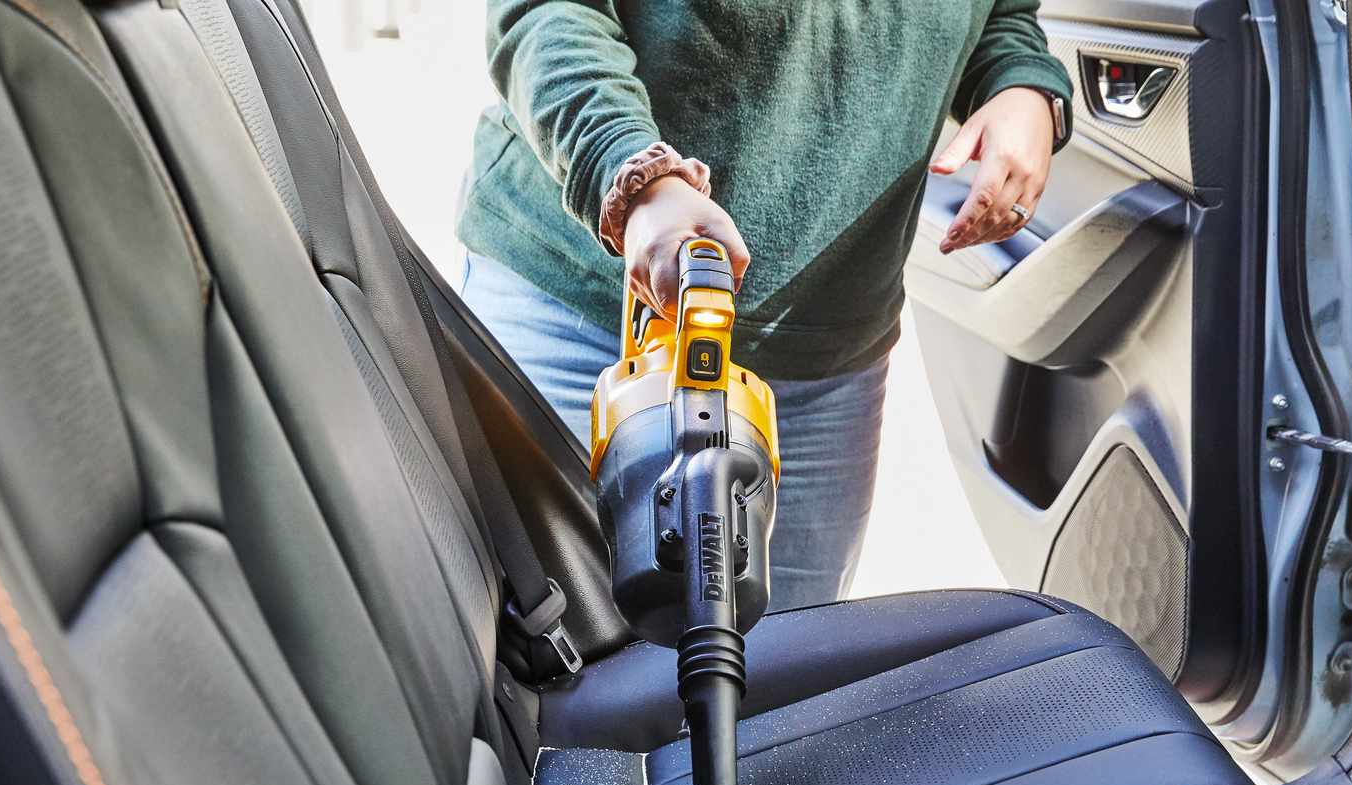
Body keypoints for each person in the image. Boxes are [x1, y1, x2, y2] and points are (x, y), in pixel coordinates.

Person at [457, 0, 1071, 612]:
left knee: (778, 684)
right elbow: (550, 12)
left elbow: (999, 15)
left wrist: (1021, 84)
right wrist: (634, 174)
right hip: (584, 317)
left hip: (825, 372)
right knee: (540, 665)